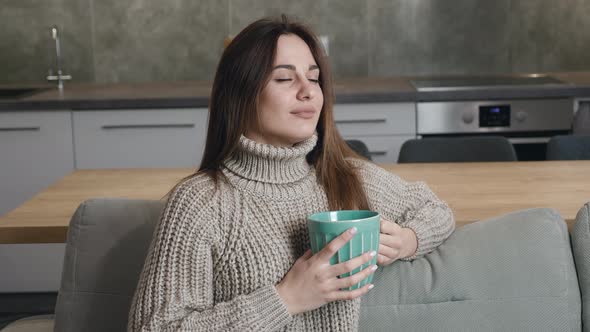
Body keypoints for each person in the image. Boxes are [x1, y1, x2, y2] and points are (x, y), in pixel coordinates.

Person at [128, 15, 454, 332]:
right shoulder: (201, 202)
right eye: (285, 79)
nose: (308, 91)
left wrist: (407, 241)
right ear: (241, 93)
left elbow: (435, 210)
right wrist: (286, 298)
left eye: (313, 78)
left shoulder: (344, 176)